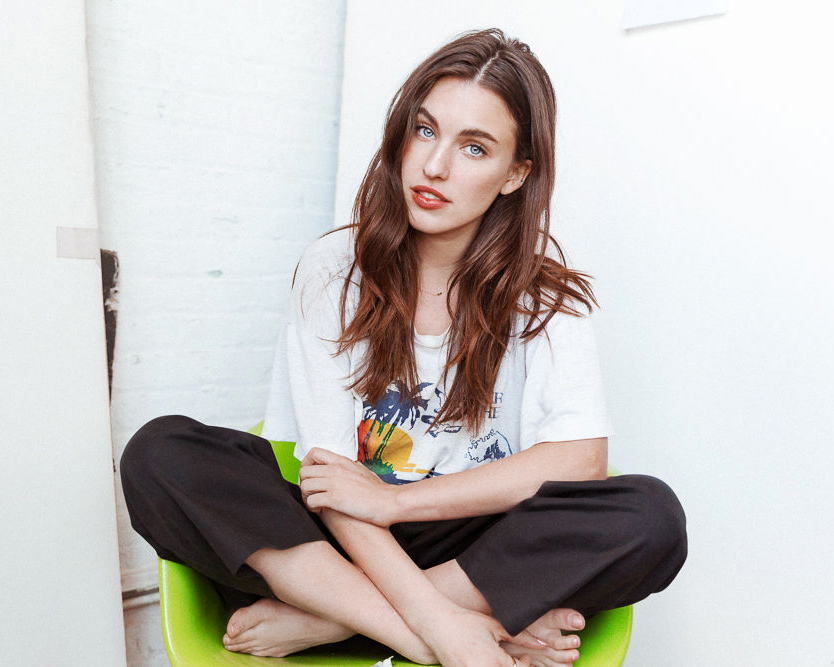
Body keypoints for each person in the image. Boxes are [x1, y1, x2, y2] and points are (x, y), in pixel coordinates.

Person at [120, 29, 687, 667]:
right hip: (337, 542)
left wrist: (395, 501)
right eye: (425, 130)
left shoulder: (543, 295)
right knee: (160, 452)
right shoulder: (334, 269)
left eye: (474, 147)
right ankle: (450, 630)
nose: (434, 166)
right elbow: (331, 484)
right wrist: (440, 630)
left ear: (516, 173)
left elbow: (580, 460)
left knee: (650, 517)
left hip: (467, 546)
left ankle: (330, 622)